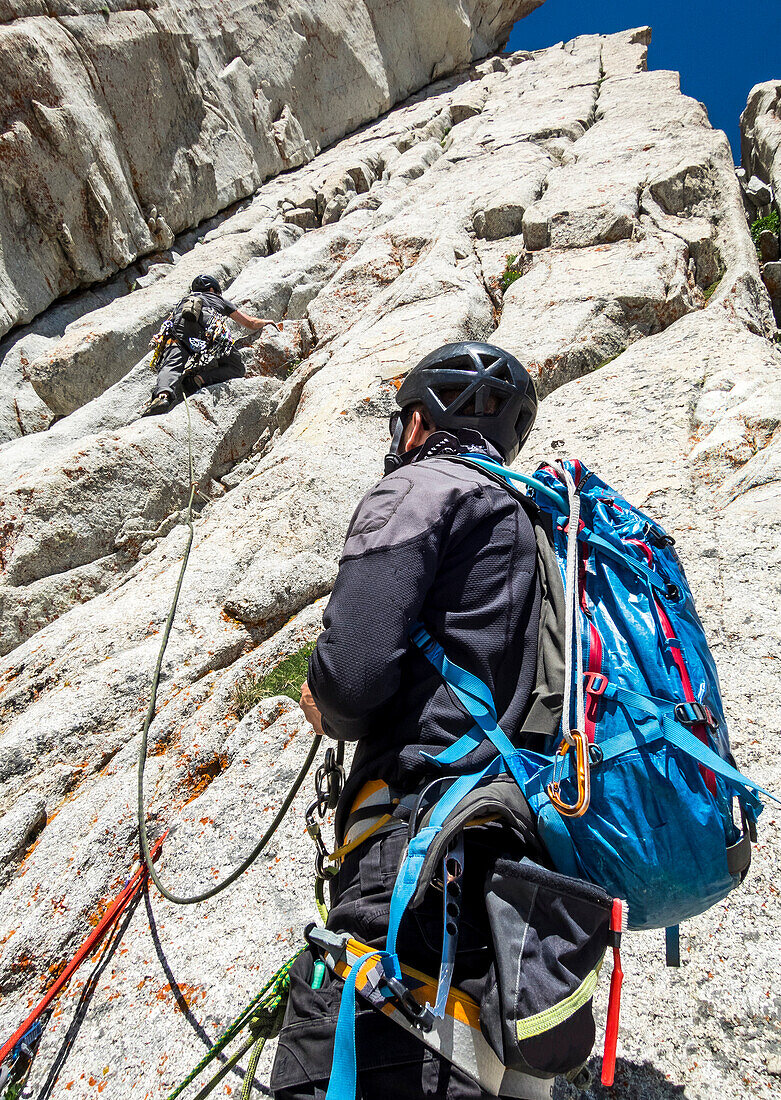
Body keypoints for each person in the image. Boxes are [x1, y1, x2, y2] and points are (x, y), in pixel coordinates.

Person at [270, 342, 540, 1100]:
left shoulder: (422, 488)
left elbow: (351, 684)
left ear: (417, 420)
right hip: (524, 878)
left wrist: (323, 698)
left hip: (420, 853)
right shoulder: (535, 526)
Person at [142, 274, 281, 416]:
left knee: (171, 364)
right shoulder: (217, 299)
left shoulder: (183, 302)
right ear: (212, 289)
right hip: (208, 328)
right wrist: (266, 322)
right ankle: (199, 379)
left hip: (178, 328)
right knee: (236, 368)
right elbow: (249, 323)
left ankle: (162, 396)